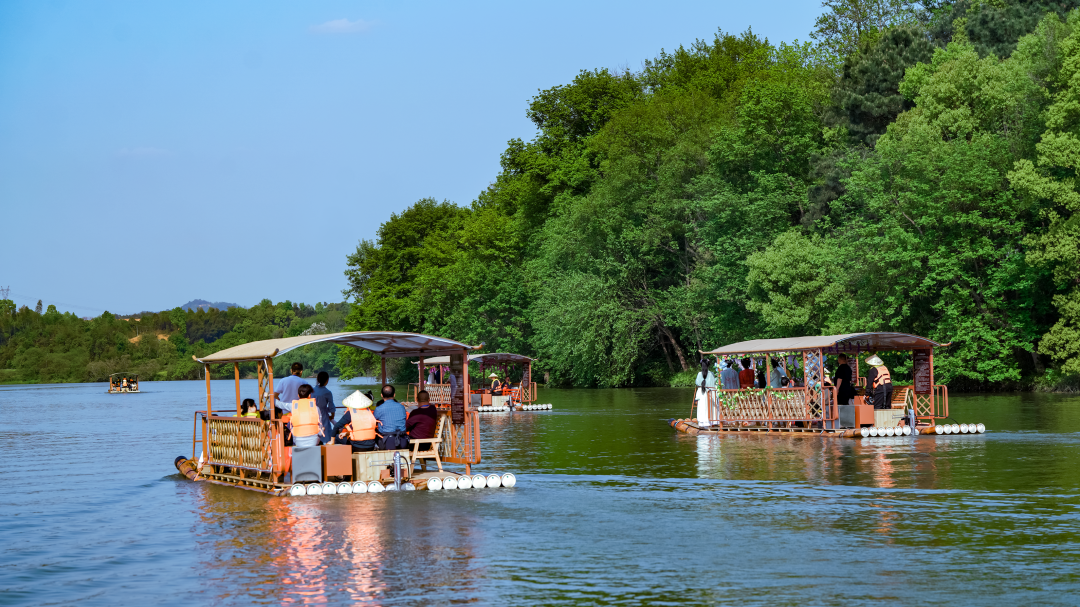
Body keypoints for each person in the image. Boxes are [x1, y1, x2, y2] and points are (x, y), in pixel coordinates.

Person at [374, 385, 408, 449]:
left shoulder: (379, 409)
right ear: (394, 395)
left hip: (387, 442)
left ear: (381, 395)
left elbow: (372, 422)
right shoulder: (402, 407)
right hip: (403, 440)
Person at [288, 384, 322, 449]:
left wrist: (269, 396)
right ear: (310, 395)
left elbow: (278, 404)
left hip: (298, 441)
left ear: (298, 395)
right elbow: (320, 426)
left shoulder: (292, 406)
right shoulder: (315, 408)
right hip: (314, 441)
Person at [311, 371, 336, 445]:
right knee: (325, 436)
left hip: (313, 415)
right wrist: (332, 416)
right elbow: (331, 406)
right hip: (324, 415)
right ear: (327, 380)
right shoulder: (327, 392)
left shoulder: (312, 391)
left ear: (317, 379)